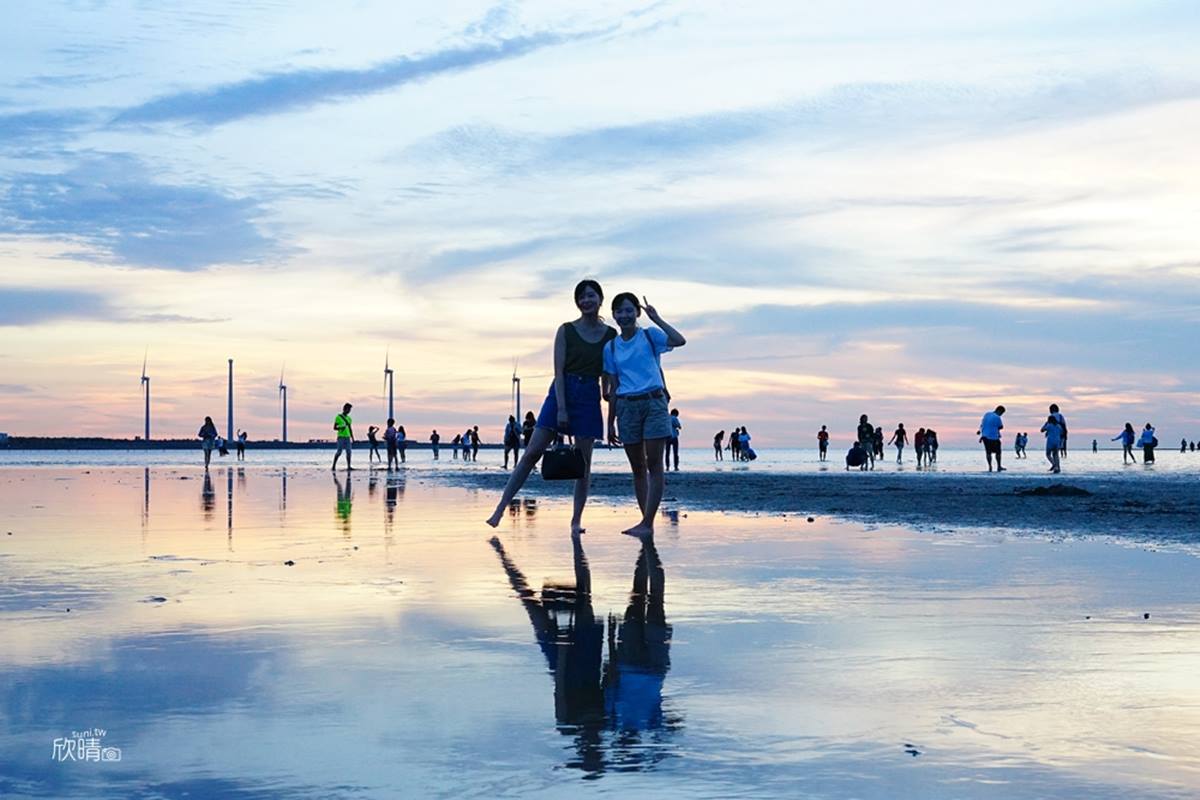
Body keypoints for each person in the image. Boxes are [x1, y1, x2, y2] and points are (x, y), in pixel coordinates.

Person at [487, 279, 617, 535]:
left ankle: (576, 520)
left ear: (600, 299)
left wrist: (606, 391)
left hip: (589, 395)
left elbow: (609, 370)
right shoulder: (566, 330)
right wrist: (562, 409)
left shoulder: (610, 335)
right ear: (577, 302)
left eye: (591, 296)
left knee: (583, 464)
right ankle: (501, 507)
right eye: (581, 297)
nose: (586, 301)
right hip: (562, 391)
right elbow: (558, 370)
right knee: (532, 453)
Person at [604, 293, 686, 537]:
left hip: (653, 402)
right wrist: (609, 422)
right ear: (614, 315)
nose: (625, 315)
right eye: (619, 311)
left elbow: (679, 340)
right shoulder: (610, 347)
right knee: (637, 467)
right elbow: (614, 387)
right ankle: (645, 521)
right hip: (627, 407)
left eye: (629, 310)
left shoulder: (650, 335)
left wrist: (657, 318)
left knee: (654, 464)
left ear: (636, 313)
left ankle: (648, 522)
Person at [977, 405, 1006, 472]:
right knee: (998, 452)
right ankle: (999, 466)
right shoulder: (997, 417)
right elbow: (1001, 427)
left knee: (988, 452)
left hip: (984, 436)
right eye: (1002, 413)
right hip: (994, 437)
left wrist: (979, 431)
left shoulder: (987, 414)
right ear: (999, 411)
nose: (1001, 415)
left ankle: (990, 466)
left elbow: (982, 424)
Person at [331, 403, 354, 471]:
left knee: (349, 452)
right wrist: (341, 427)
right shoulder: (338, 417)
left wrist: (352, 437)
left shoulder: (349, 418)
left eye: (350, 410)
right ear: (344, 409)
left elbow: (350, 428)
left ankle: (349, 466)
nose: (349, 411)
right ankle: (333, 466)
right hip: (341, 437)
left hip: (347, 437)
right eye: (348, 409)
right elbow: (334, 427)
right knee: (339, 452)